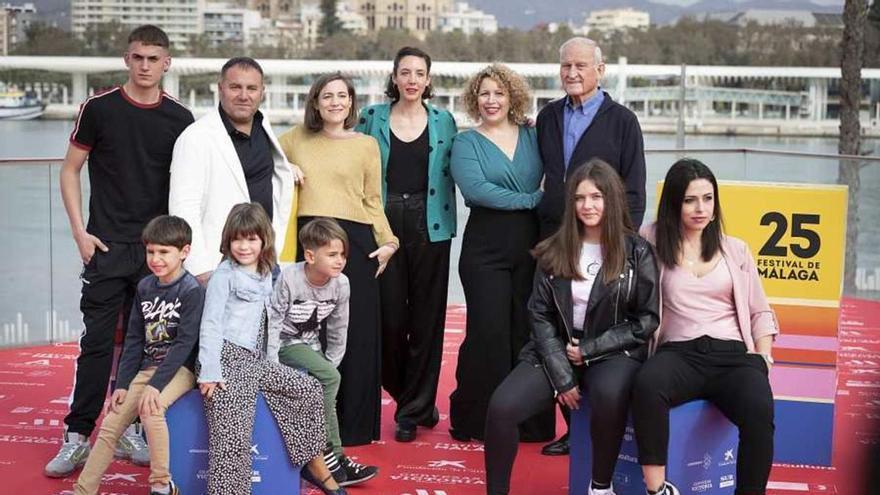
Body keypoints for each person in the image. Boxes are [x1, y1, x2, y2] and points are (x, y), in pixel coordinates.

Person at [49, 24, 194, 477]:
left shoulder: (181, 119)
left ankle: (130, 428)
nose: (145, 65)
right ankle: (77, 435)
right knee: (96, 344)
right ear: (127, 60)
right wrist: (79, 232)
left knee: (149, 349)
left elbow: (193, 186)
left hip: (157, 254)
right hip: (107, 248)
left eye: (154, 58)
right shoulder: (99, 108)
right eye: (138, 57)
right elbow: (71, 169)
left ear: (166, 62)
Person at [484, 159, 660, 495]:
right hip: (556, 350)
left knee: (608, 395)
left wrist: (589, 350)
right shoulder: (555, 249)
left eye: (596, 197)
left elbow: (646, 320)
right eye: (580, 198)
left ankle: (600, 486)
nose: (588, 205)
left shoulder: (637, 252)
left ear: (611, 199)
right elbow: (539, 314)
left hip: (613, 350)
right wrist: (562, 373)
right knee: (501, 408)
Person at [633, 159, 778, 495]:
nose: (701, 208)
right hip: (678, 353)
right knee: (647, 384)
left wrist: (764, 356)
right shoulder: (650, 241)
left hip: (731, 355)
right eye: (689, 200)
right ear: (673, 203)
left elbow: (760, 311)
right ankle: (657, 490)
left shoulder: (736, 249)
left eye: (708, 198)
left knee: (760, 409)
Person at [535, 36, 647, 456]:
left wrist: (623, 245)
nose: (572, 73)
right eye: (565, 66)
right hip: (554, 240)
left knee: (597, 329)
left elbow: (634, 191)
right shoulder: (547, 116)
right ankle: (571, 424)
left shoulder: (622, 121)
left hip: (605, 245)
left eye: (581, 66)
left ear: (600, 71)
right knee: (559, 326)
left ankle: (596, 426)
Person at [278, 72, 398, 447]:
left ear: (351, 103)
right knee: (305, 333)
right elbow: (256, 155)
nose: (335, 102)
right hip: (309, 240)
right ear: (315, 101)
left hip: (355, 243)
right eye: (327, 96)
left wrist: (389, 241)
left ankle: (355, 428)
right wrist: (285, 168)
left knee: (356, 333)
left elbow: (372, 200)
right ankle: (305, 426)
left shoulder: (366, 144)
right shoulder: (295, 138)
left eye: (342, 96)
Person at [198, 203, 344, 495]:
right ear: (228, 239)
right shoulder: (224, 275)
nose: (243, 246)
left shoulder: (267, 272)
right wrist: (209, 371)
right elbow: (210, 324)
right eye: (237, 239)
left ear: (264, 239)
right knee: (233, 443)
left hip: (256, 361)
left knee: (308, 389)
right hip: (225, 362)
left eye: (251, 239)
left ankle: (311, 464)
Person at [355, 46, 458, 443]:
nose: (412, 79)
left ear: (428, 80)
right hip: (383, 224)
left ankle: (411, 413)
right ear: (394, 78)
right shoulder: (371, 118)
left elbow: (468, 156)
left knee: (427, 321)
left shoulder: (445, 121)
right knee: (390, 321)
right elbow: (346, 154)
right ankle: (411, 396)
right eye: (405, 72)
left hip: (430, 222)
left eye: (419, 73)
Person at [448, 64, 554, 443]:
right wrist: (532, 198)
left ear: (513, 98)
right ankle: (476, 419)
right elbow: (477, 191)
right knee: (487, 334)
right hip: (484, 250)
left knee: (526, 331)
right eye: (484, 94)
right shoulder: (466, 143)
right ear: (474, 100)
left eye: (499, 93)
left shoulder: (533, 134)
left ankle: (531, 423)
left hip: (531, 246)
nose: (491, 100)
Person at [74, 215, 203, 495]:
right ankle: (83, 490)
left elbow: (184, 344)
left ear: (184, 252)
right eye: (151, 251)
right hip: (147, 368)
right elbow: (134, 340)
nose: (155, 259)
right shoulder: (145, 287)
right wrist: (122, 384)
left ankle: (161, 484)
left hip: (180, 369)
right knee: (111, 424)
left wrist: (155, 386)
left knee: (151, 409)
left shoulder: (191, 290)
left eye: (164, 252)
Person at [169, 56, 301, 285]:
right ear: (220, 89)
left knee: (266, 322)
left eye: (251, 88)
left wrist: (289, 169)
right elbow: (183, 208)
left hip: (266, 263)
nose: (243, 95)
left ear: (262, 92)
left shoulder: (263, 128)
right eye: (235, 87)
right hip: (217, 267)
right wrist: (200, 270)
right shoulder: (195, 138)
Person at [269, 217, 379, 487]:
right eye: (332, 254)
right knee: (329, 379)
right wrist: (270, 364)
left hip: (311, 346)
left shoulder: (341, 283)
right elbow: (273, 321)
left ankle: (332, 457)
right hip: (284, 344)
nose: (339, 260)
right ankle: (331, 454)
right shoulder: (290, 278)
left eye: (342, 254)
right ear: (309, 255)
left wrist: (330, 363)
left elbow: (339, 326)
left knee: (327, 379)